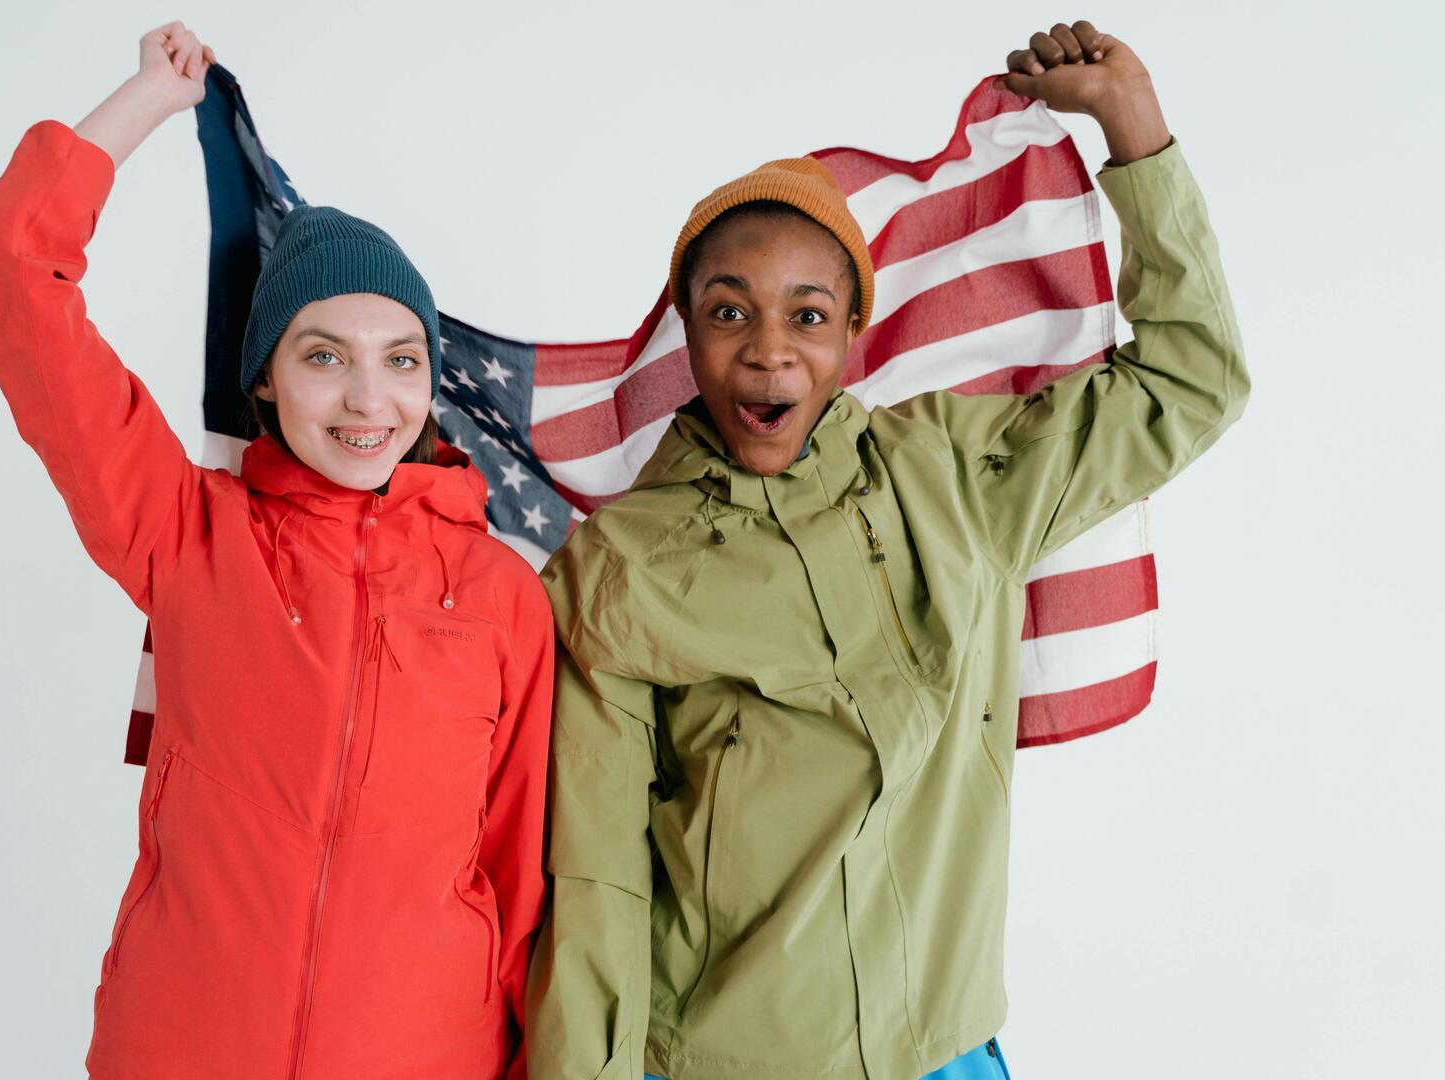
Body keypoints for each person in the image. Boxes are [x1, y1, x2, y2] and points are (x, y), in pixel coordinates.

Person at [525, 20, 1247, 1080]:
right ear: (687, 329)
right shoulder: (620, 569)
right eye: (730, 313)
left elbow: (1189, 382)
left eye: (806, 315)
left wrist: (1134, 130)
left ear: (854, 331)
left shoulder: (955, 474)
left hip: (949, 1051)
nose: (769, 348)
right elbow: (597, 881)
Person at [0, 22, 554, 1079]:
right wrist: (147, 101)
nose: (371, 400)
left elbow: (521, 885)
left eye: (401, 359)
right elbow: (13, 265)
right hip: (180, 1049)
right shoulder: (186, 532)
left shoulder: (500, 595)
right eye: (325, 357)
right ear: (266, 378)